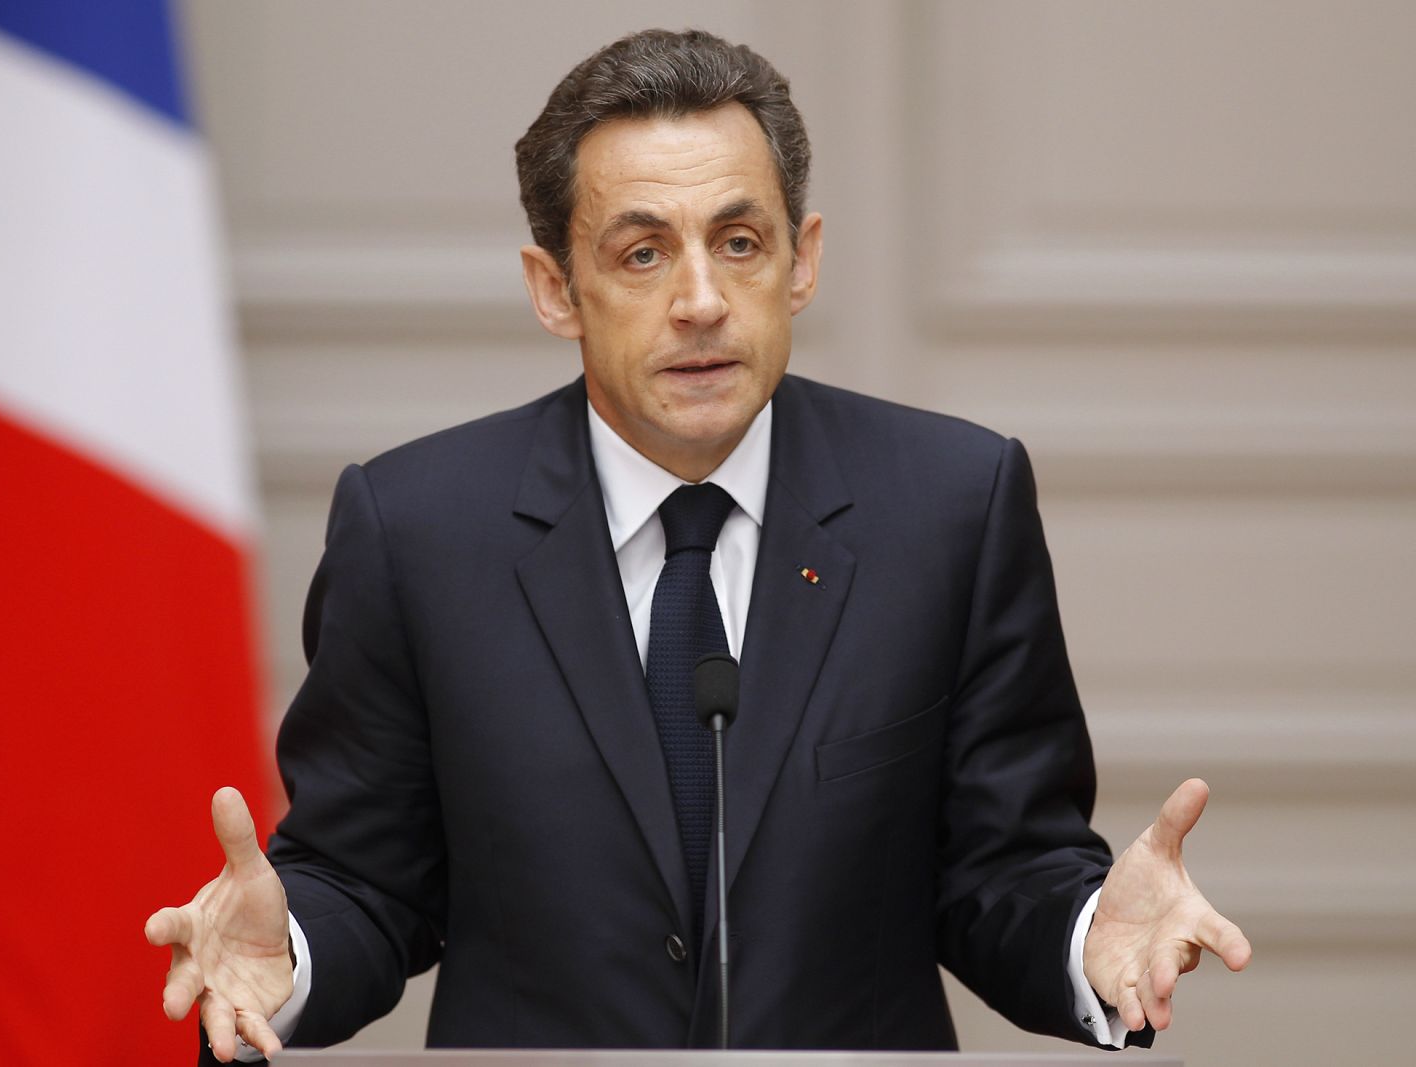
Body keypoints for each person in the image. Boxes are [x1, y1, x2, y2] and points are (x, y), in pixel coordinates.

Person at [145, 29, 1251, 1063]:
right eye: (640, 254)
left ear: (800, 261)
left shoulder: (950, 503)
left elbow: (1000, 864)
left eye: (739, 242)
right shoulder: (418, 528)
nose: (701, 300)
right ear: (553, 288)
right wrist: (287, 953)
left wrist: (1084, 931)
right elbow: (367, 879)